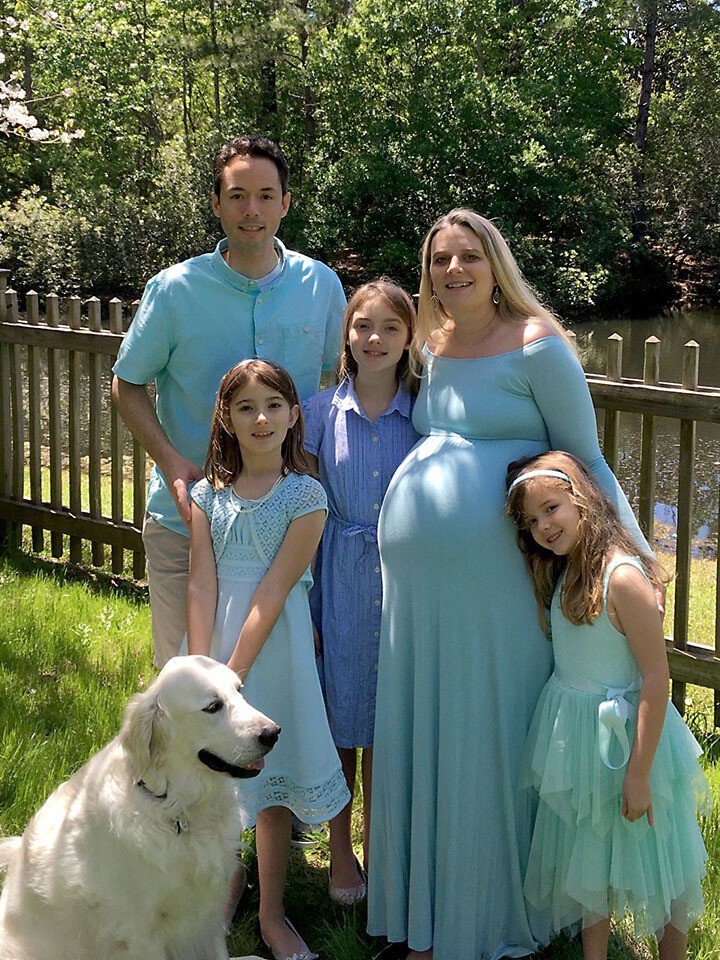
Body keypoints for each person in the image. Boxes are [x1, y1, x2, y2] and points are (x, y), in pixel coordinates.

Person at [367, 208, 653, 960]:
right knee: (429, 732)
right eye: (440, 260)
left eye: (468, 256)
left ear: (496, 265)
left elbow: (585, 458)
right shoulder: (431, 346)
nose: (453, 270)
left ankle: (491, 913)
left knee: (488, 731)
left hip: (500, 587)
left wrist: (628, 558)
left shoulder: (539, 346)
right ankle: (423, 906)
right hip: (420, 600)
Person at [112, 135, 346, 669]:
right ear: (216, 204)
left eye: (266, 195)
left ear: (286, 203)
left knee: (276, 682)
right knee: (185, 683)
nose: (252, 210)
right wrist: (171, 462)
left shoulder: (321, 286)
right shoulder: (174, 290)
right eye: (237, 196)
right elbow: (127, 383)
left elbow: (339, 384)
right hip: (187, 521)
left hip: (287, 527)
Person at [505, 450, 709, 960]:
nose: (543, 527)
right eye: (531, 521)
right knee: (590, 859)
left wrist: (638, 773)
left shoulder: (621, 578)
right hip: (578, 741)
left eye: (551, 509)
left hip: (631, 744)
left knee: (661, 864)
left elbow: (656, 678)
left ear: (582, 501)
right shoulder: (565, 568)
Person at [185, 358, 350, 960]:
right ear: (226, 418)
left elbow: (275, 591)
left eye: (273, 406)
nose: (261, 419)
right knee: (216, 782)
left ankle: (272, 913)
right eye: (246, 408)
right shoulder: (207, 495)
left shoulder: (305, 496)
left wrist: (235, 675)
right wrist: (201, 670)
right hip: (214, 652)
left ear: (294, 414)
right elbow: (201, 582)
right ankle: (225, 889)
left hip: (272, 653)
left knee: (268, 780)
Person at [302, 280, 420, 905]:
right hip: (340, 582)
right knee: (341, 722)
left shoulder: (424, 415)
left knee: (388, 728)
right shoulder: (319, 414)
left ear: (410, 338)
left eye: (391, 328)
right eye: (363, 326)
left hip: (404, 587)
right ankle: (341, 847)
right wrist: (306, 604)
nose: (375, 339)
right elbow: (301, 514)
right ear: (346, 335)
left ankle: (383, 848)